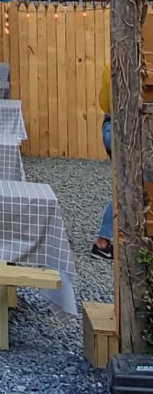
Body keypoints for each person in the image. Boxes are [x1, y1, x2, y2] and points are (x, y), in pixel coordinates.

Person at [92, 64, 113, 260]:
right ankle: (102, 241)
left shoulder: (109, 66)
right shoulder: (133, 67)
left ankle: (104, 241)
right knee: (128, 188)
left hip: (108, 125)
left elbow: (102, 100)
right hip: (118, 127)